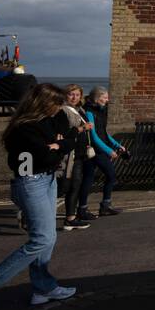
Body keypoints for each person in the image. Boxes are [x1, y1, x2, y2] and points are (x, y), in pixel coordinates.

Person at [0, 83, 77, 310]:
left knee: (47, 239)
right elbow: (47, 156)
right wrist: (58, 145)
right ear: (42, 102)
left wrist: (60, 143)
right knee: (42, 239)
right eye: (56, 103)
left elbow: (70, 137)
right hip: (30, 181)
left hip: (47, 179)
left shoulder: (51, 119)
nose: (60, 107)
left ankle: (42, 288)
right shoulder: (24, 127)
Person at [78, 86, 129, 219]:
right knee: (110, 176)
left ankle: (82, 209)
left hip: (99, 149)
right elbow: (94, 136)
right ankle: (103, 207)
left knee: (88, 179)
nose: (107, 100)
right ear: (97, 98)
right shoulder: (89, 112)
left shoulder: (101, 111)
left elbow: (104, 132)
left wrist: (117, 145)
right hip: (95, 150)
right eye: (105, 97)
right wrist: (109, 150)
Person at [58, 84, 94, 231]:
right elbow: (62, 133)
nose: (74, 97)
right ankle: (32, 214)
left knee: (75, 186)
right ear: (65, 95)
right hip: (68, 155)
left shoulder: (80, 110)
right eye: (71, 94)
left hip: (80, 153)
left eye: (77, 95)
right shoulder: (62, 111)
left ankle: (70, 218)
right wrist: (82, 129)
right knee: (64, 187)